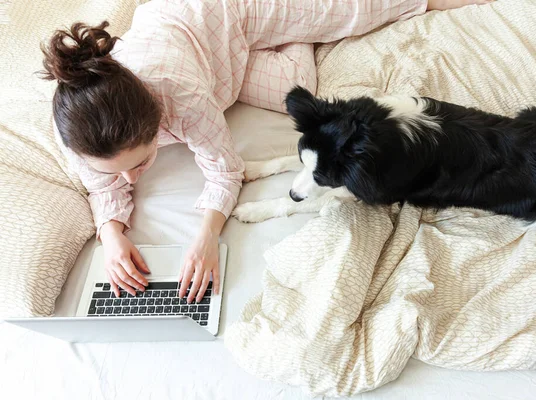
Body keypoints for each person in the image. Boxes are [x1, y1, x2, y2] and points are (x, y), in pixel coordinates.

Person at [41, 0, 492, 303]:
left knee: (353, 11)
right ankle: (286, 42)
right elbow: (102, 184)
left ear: (159, 122)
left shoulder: (181, 95)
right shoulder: (78, 124)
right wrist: (112, 233)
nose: (130, 181)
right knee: (299, 87)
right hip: (206, 56)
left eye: (139, 164)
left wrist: (205, 238)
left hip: (223, 14)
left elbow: (224, 171)